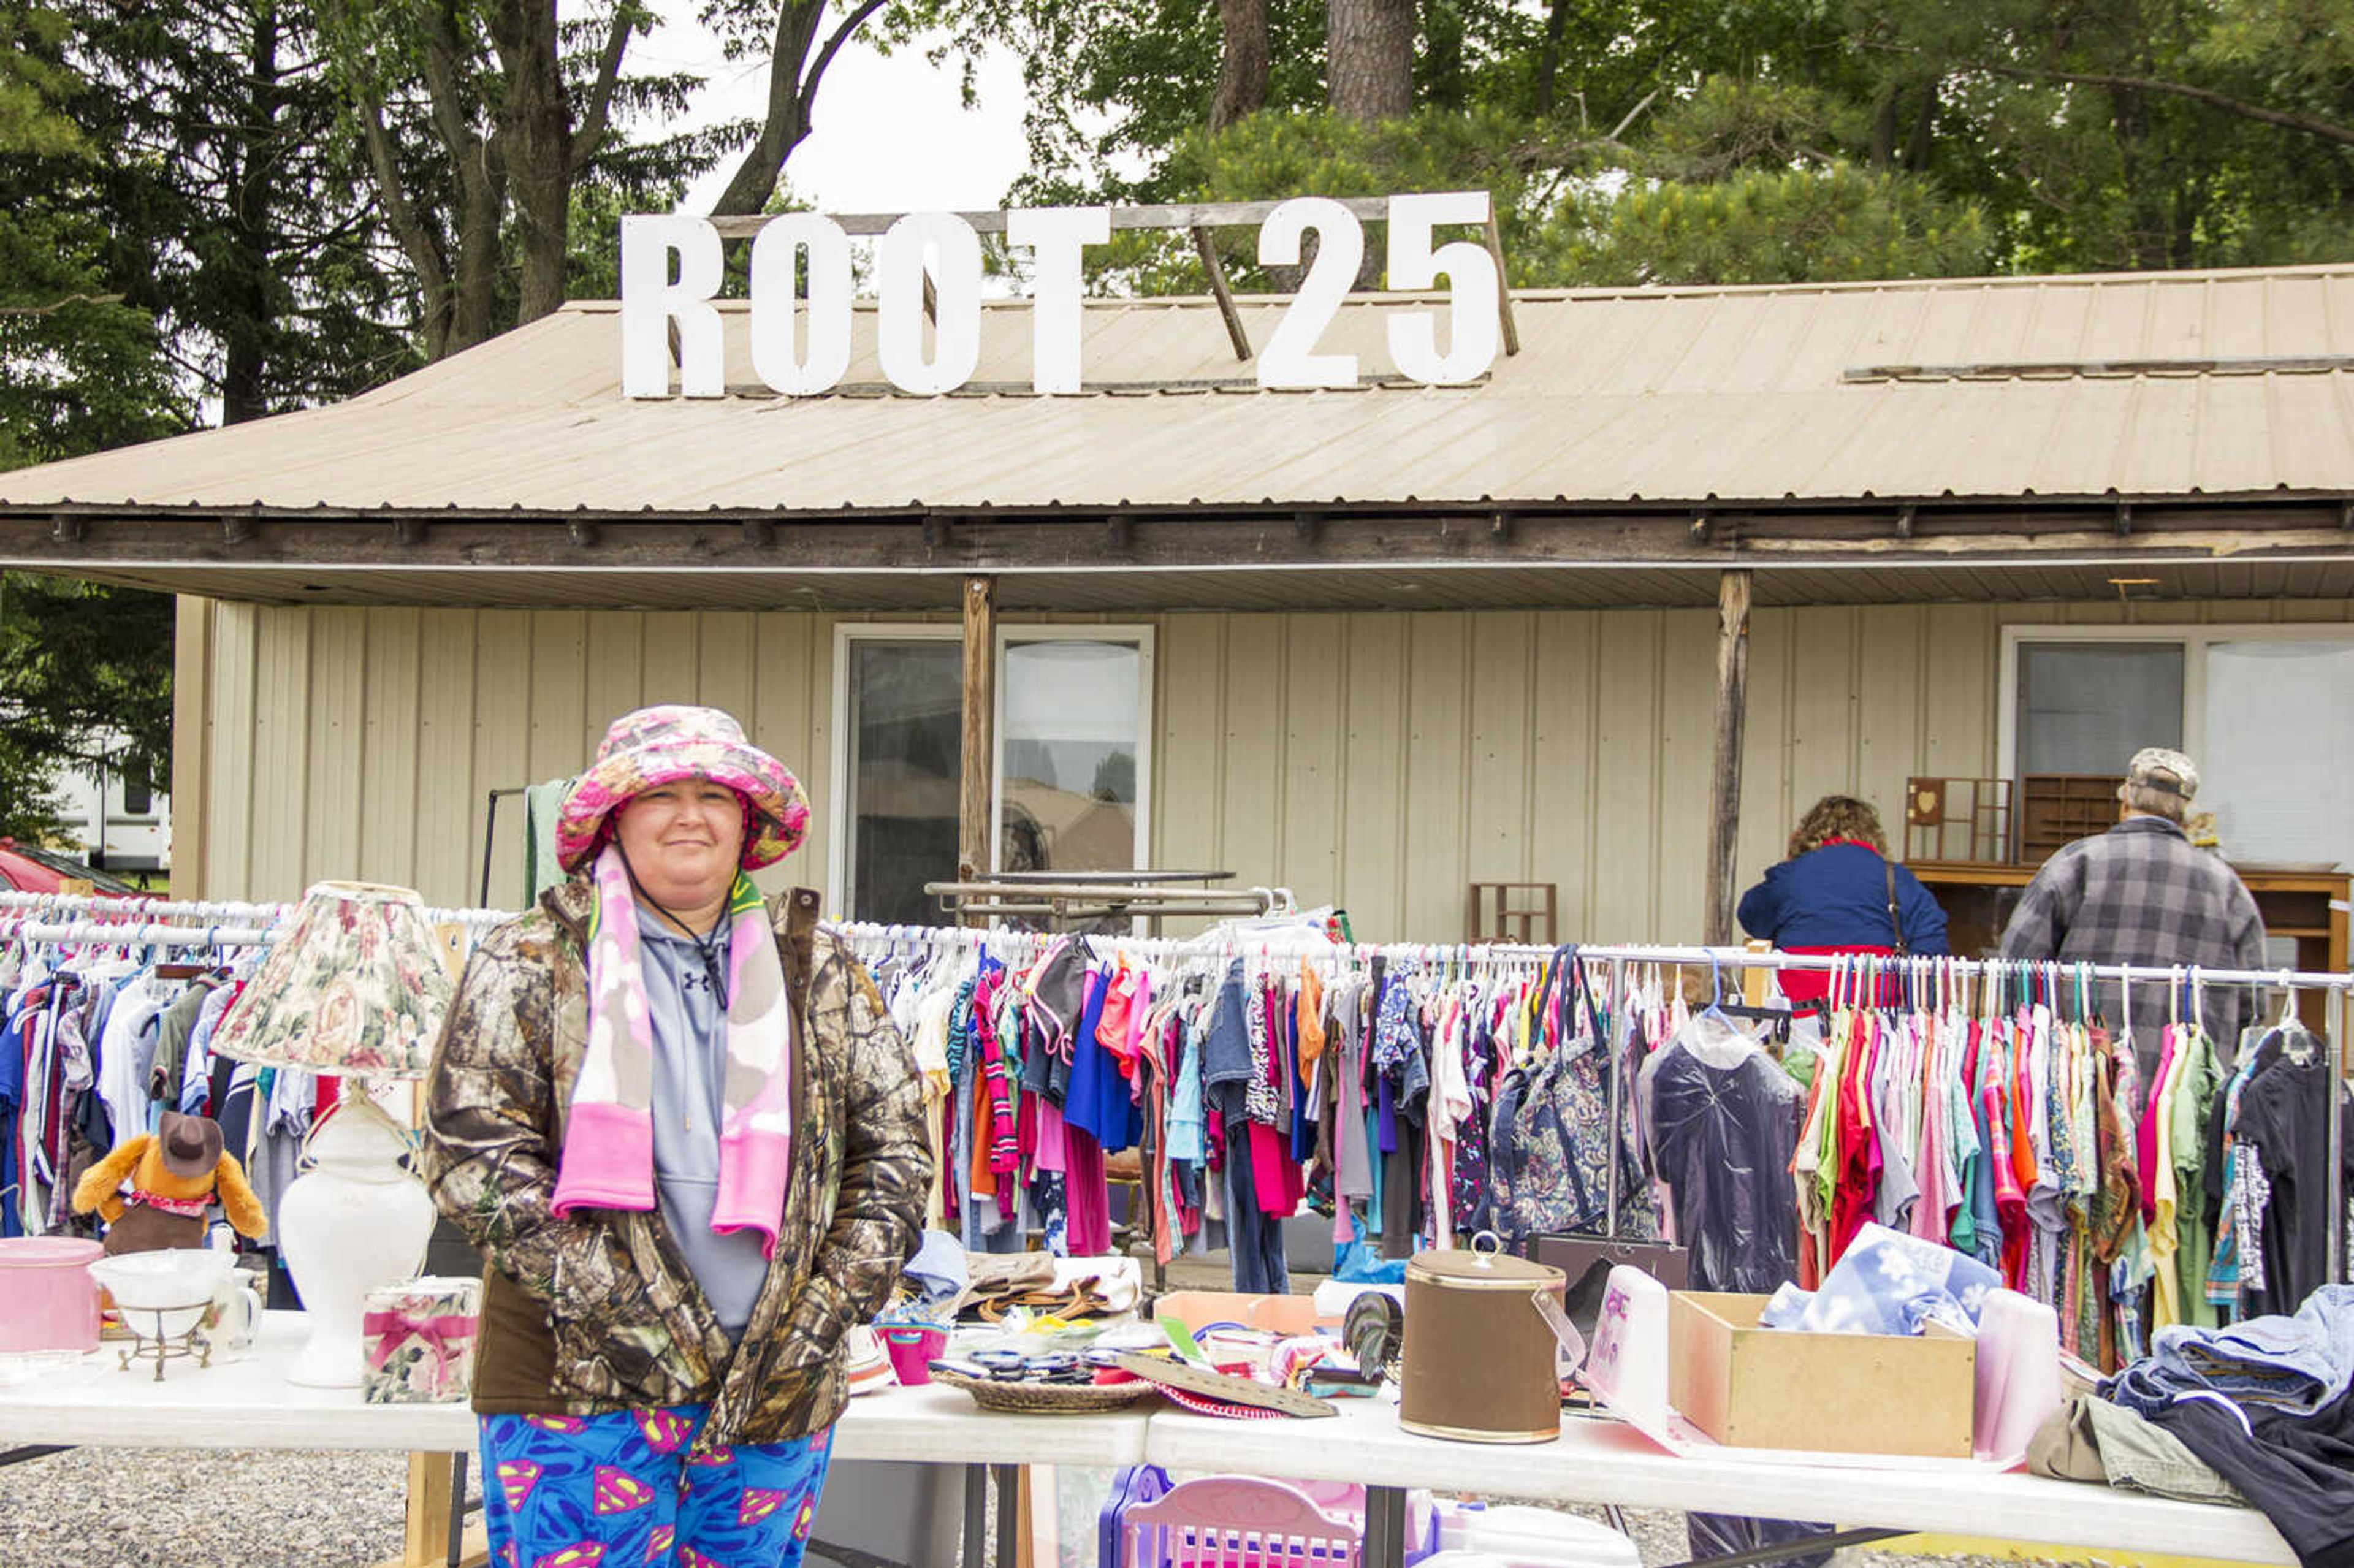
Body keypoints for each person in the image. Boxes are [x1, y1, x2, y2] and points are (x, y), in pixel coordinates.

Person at [419, 704, 930, 1568]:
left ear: (747, 821)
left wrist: (817, 1317)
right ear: (615, 818)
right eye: (661, 792)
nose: (690, 814)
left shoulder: (822, 971)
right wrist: (635, 1315)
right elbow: (470, 1153)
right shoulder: (531, 958)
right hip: (575, 1387)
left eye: (713, 794)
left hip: (772, 1388)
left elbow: (896, 1157)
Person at [2000, 746, 2264, 1076]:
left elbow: (2016, 972)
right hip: (2190, 1090)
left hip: (2084, 1082)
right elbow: (2253, 1005)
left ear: (2125, 804)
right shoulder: (2227, 887)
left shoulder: (2074, 864)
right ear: (2184, 817)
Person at [1737, 794, 1949, 1005]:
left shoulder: (1791, 876)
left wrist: (1791, 861)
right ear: (1872, 834)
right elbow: (1931, 939)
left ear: (1809, 833)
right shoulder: (1894, 877)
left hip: (1801, 1015)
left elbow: (1751, 916)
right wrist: (1916, 1002)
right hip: (1874, 1018)